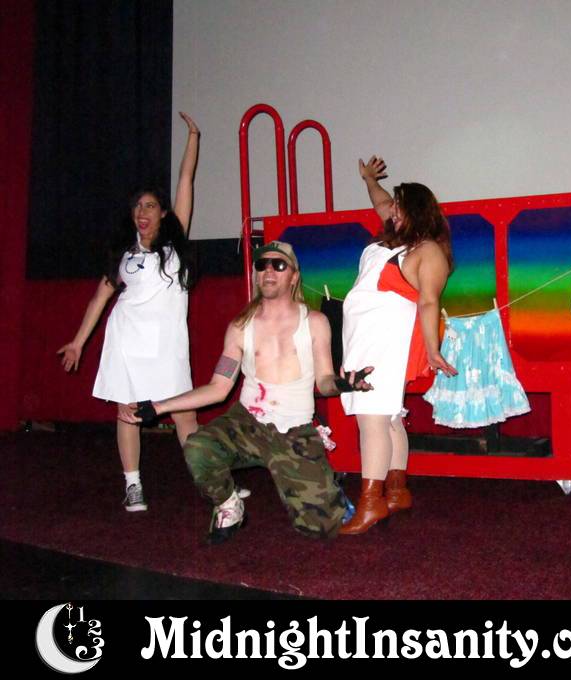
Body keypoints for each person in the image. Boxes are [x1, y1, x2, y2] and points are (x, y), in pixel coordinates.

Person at [124, 241, 373, 544]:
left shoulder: (315, 323)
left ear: (294, 276)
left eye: (278, 265)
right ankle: (229, 505)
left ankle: (328, 489)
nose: (268, 270)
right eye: (261, 265)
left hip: (294, 429)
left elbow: (324, 382)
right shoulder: (240, 326)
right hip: (247, 423)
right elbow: (218, 388)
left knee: (321, 528)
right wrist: (158, 407)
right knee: (198, 447)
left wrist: (343, 384)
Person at [58, 112, 201, 513]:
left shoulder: (174, 248)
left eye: (150, 205)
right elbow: (99, 299)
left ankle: (211, 484)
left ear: (163, 213)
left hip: (167, 346)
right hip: (126, 342)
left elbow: (186, 181)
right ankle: (133, 485)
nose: (143, 211)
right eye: (138, 206)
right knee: (128, 414)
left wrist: (193, 137)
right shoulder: (123, 255)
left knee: (186, 416)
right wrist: (78, 342)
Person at [339, 156, 457, 535]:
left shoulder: (428, 250)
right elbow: (380, 201)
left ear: (417, 211)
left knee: (371, 416)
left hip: (386, 340)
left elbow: (429, 302)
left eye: (399, 207)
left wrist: (433, 349)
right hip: (362, 336)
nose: (391, 211)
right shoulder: (389, 242)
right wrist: (369, 180)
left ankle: (370, 502)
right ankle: (395, 490)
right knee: (387, 416)